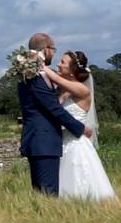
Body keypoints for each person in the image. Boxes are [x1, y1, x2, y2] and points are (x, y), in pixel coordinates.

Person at [17, 33, 93, 196]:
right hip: (43, 142)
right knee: (48, 195)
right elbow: (54, 108)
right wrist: (80, 128)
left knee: (42, 196)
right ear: (46, 49)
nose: (55, 55)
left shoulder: (28, 72)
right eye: (54, 50)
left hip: (41, 141)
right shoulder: (36, 74)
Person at [42, 50, 116, 200]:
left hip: (76, 144)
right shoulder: (61, 90)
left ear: (72, 69)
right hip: (61, 142)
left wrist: (39, 66)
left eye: (62, 62)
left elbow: (55, 78)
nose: (58, 64)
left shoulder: (82, 89)